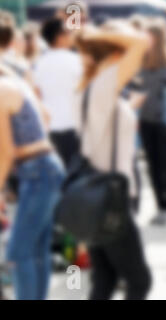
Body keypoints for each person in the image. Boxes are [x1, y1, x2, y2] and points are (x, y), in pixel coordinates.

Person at [74, 24, 151, 300]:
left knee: (105, 280)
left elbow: (102, 129)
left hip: (95, 196)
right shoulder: (103, 86)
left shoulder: (89, 90)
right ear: (116, 55)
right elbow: (140, 41)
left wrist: (129, 108)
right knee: (139, 281)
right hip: (111, 199)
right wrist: (100, 35)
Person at [0, 62, 65, 300]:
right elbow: (46, 117)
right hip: (47, 166)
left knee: (18, 253)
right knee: (37, 250)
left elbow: (5, 152)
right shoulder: (16, 84)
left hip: (36, 171)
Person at [138, 19, 166, 224]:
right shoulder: (140, 63)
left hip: (165, 122)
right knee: (152, 165)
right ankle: (161, 204)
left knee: (164, 164)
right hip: (146, 120)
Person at [32, 18, 83, 168]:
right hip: (76, 125)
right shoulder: (77, 61)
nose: (73, 35)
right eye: (69, 32)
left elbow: (37, 95)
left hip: (51, 128)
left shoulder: (38, 64)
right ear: (60, 37)